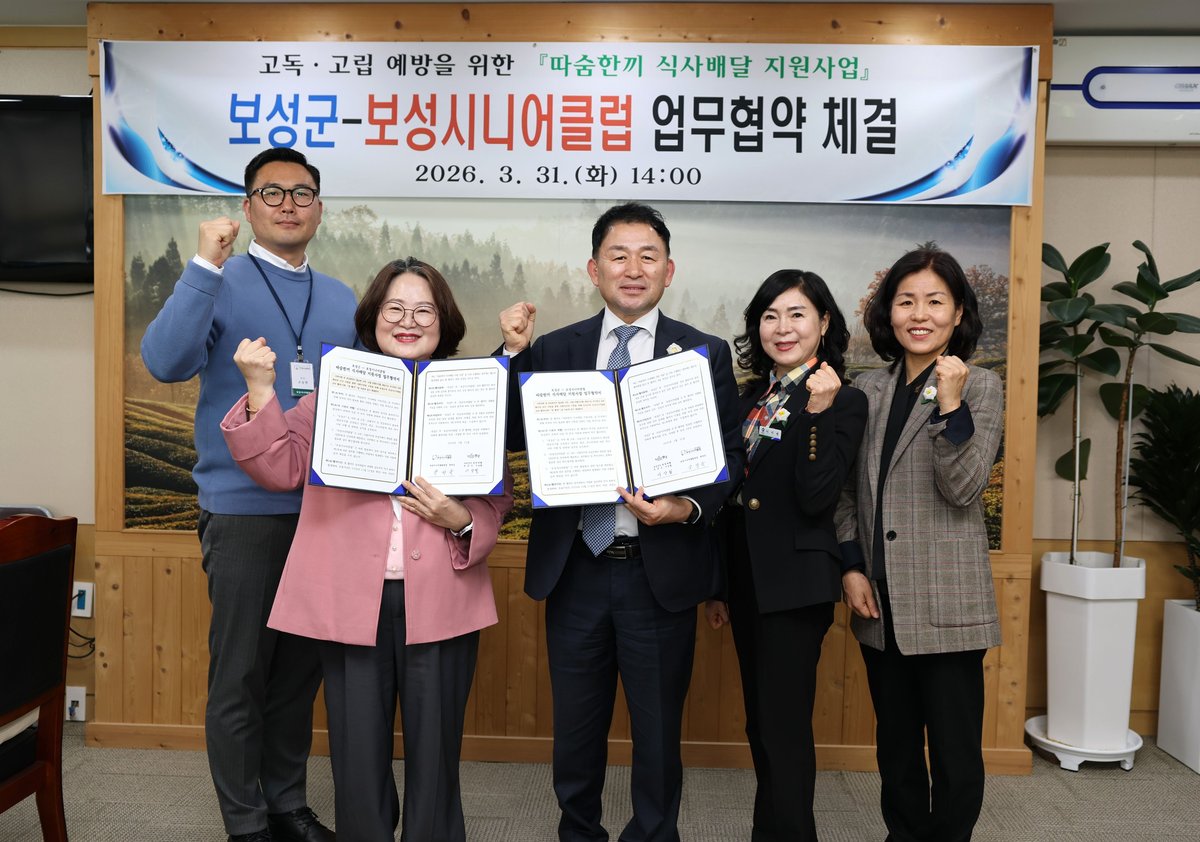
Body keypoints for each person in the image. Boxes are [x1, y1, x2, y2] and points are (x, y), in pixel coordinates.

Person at [221, 258, 513, 842]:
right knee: (356, 756)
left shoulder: (471, 394)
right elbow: (279, 467)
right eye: (394, 309)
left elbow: (495, 500)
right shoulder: (334, 391)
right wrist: (260, 390)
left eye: (424, 310)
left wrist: (461, 519)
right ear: (373, 318)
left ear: (444, 322)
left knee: (436, 755)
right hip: (353, 602)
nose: (408, 321)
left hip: (444, 598)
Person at [498, 202, 744, 842]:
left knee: (658, 733)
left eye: (648, 257)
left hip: (657, 574)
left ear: (668, 271)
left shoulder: (703, 352)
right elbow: (509, 433)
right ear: (594, 269)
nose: (633, 269)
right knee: (575, 730)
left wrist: (684, 508)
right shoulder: (554, 348)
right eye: (618, 256)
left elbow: (729, 458)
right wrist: (513, 354)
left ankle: (654, 835)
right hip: (575, 569)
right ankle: (578, 833)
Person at [141, 148, 356, 842]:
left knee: (297, 677)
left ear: (319, 208)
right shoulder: (218, 279)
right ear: (247, 207)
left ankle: (286, 804)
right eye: (272, 192)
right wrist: (204, 264)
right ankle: (245, 822)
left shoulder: (341, 297)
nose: (289, 204)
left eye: (302, 193)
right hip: (241, 513)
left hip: (323, 514)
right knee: (241, 675)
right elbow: (165, 362)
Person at [835, 248, 1003, 842]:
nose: (919, 314)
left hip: (948, 603)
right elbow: (846, 492)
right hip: (879, 600)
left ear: (958, 313)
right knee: (896, 748)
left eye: (935, 301)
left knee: (955, 754)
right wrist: (851, 566)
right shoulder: (868, 388)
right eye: (906, 301)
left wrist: (951, 404)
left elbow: (963, 487)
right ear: (889, 312)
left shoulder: (981, 386)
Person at [705, 270, 867, 841]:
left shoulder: (844, 399)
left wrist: (818, 413)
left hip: (796, 583)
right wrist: (720, 586)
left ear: (824, 323)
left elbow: (818, 496)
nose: (783, 327)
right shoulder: (749, 398)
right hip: (748, 578)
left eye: (797, 314)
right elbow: (729, 497)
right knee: (762, 724)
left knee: (784, 729)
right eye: (770, 316)